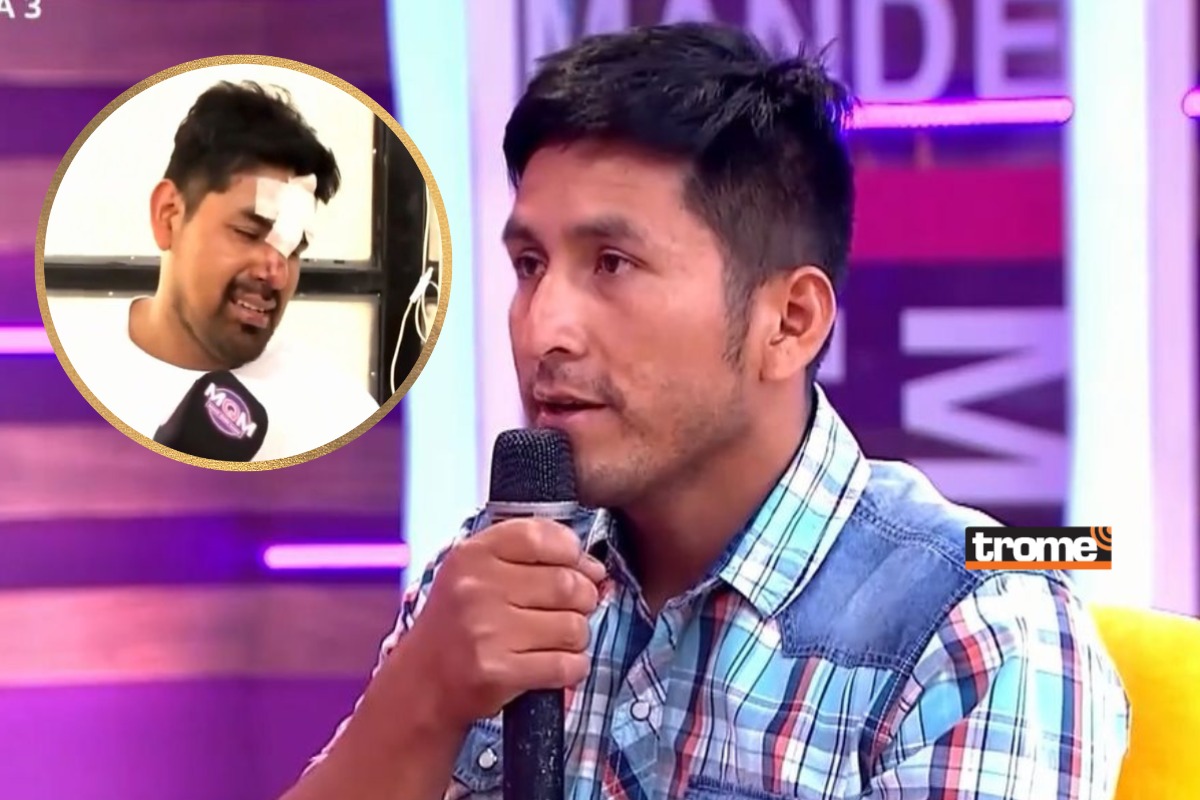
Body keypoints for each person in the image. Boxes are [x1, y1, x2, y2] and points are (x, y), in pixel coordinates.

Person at [282, 22, 1130, 800]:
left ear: (788, 323)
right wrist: (421, 697)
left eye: (612, 264)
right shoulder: (489, 574)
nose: (542, 329)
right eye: (530, 265)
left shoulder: (978, 635)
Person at [51, 80, 379, 461]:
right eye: (248, 232)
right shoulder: (64, 380)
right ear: (169, 216)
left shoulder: (340, 418)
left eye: (294, 249)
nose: (276, 273)